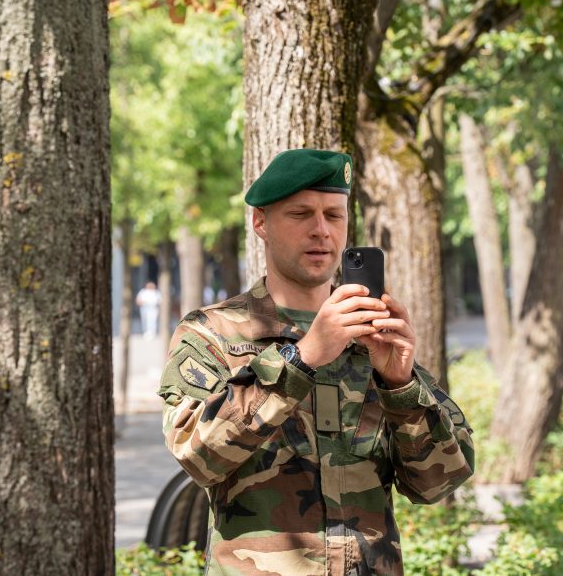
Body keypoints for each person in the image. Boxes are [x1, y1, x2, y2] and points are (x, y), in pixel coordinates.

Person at [157, 149, 474, 575]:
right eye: (301, 214)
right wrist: (303, 357)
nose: (321, 231)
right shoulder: (212, 333)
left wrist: (401, 385)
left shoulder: (372, 333)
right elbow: (197, 455)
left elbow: (440, 483)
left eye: (334, 215)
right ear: (261, 223)